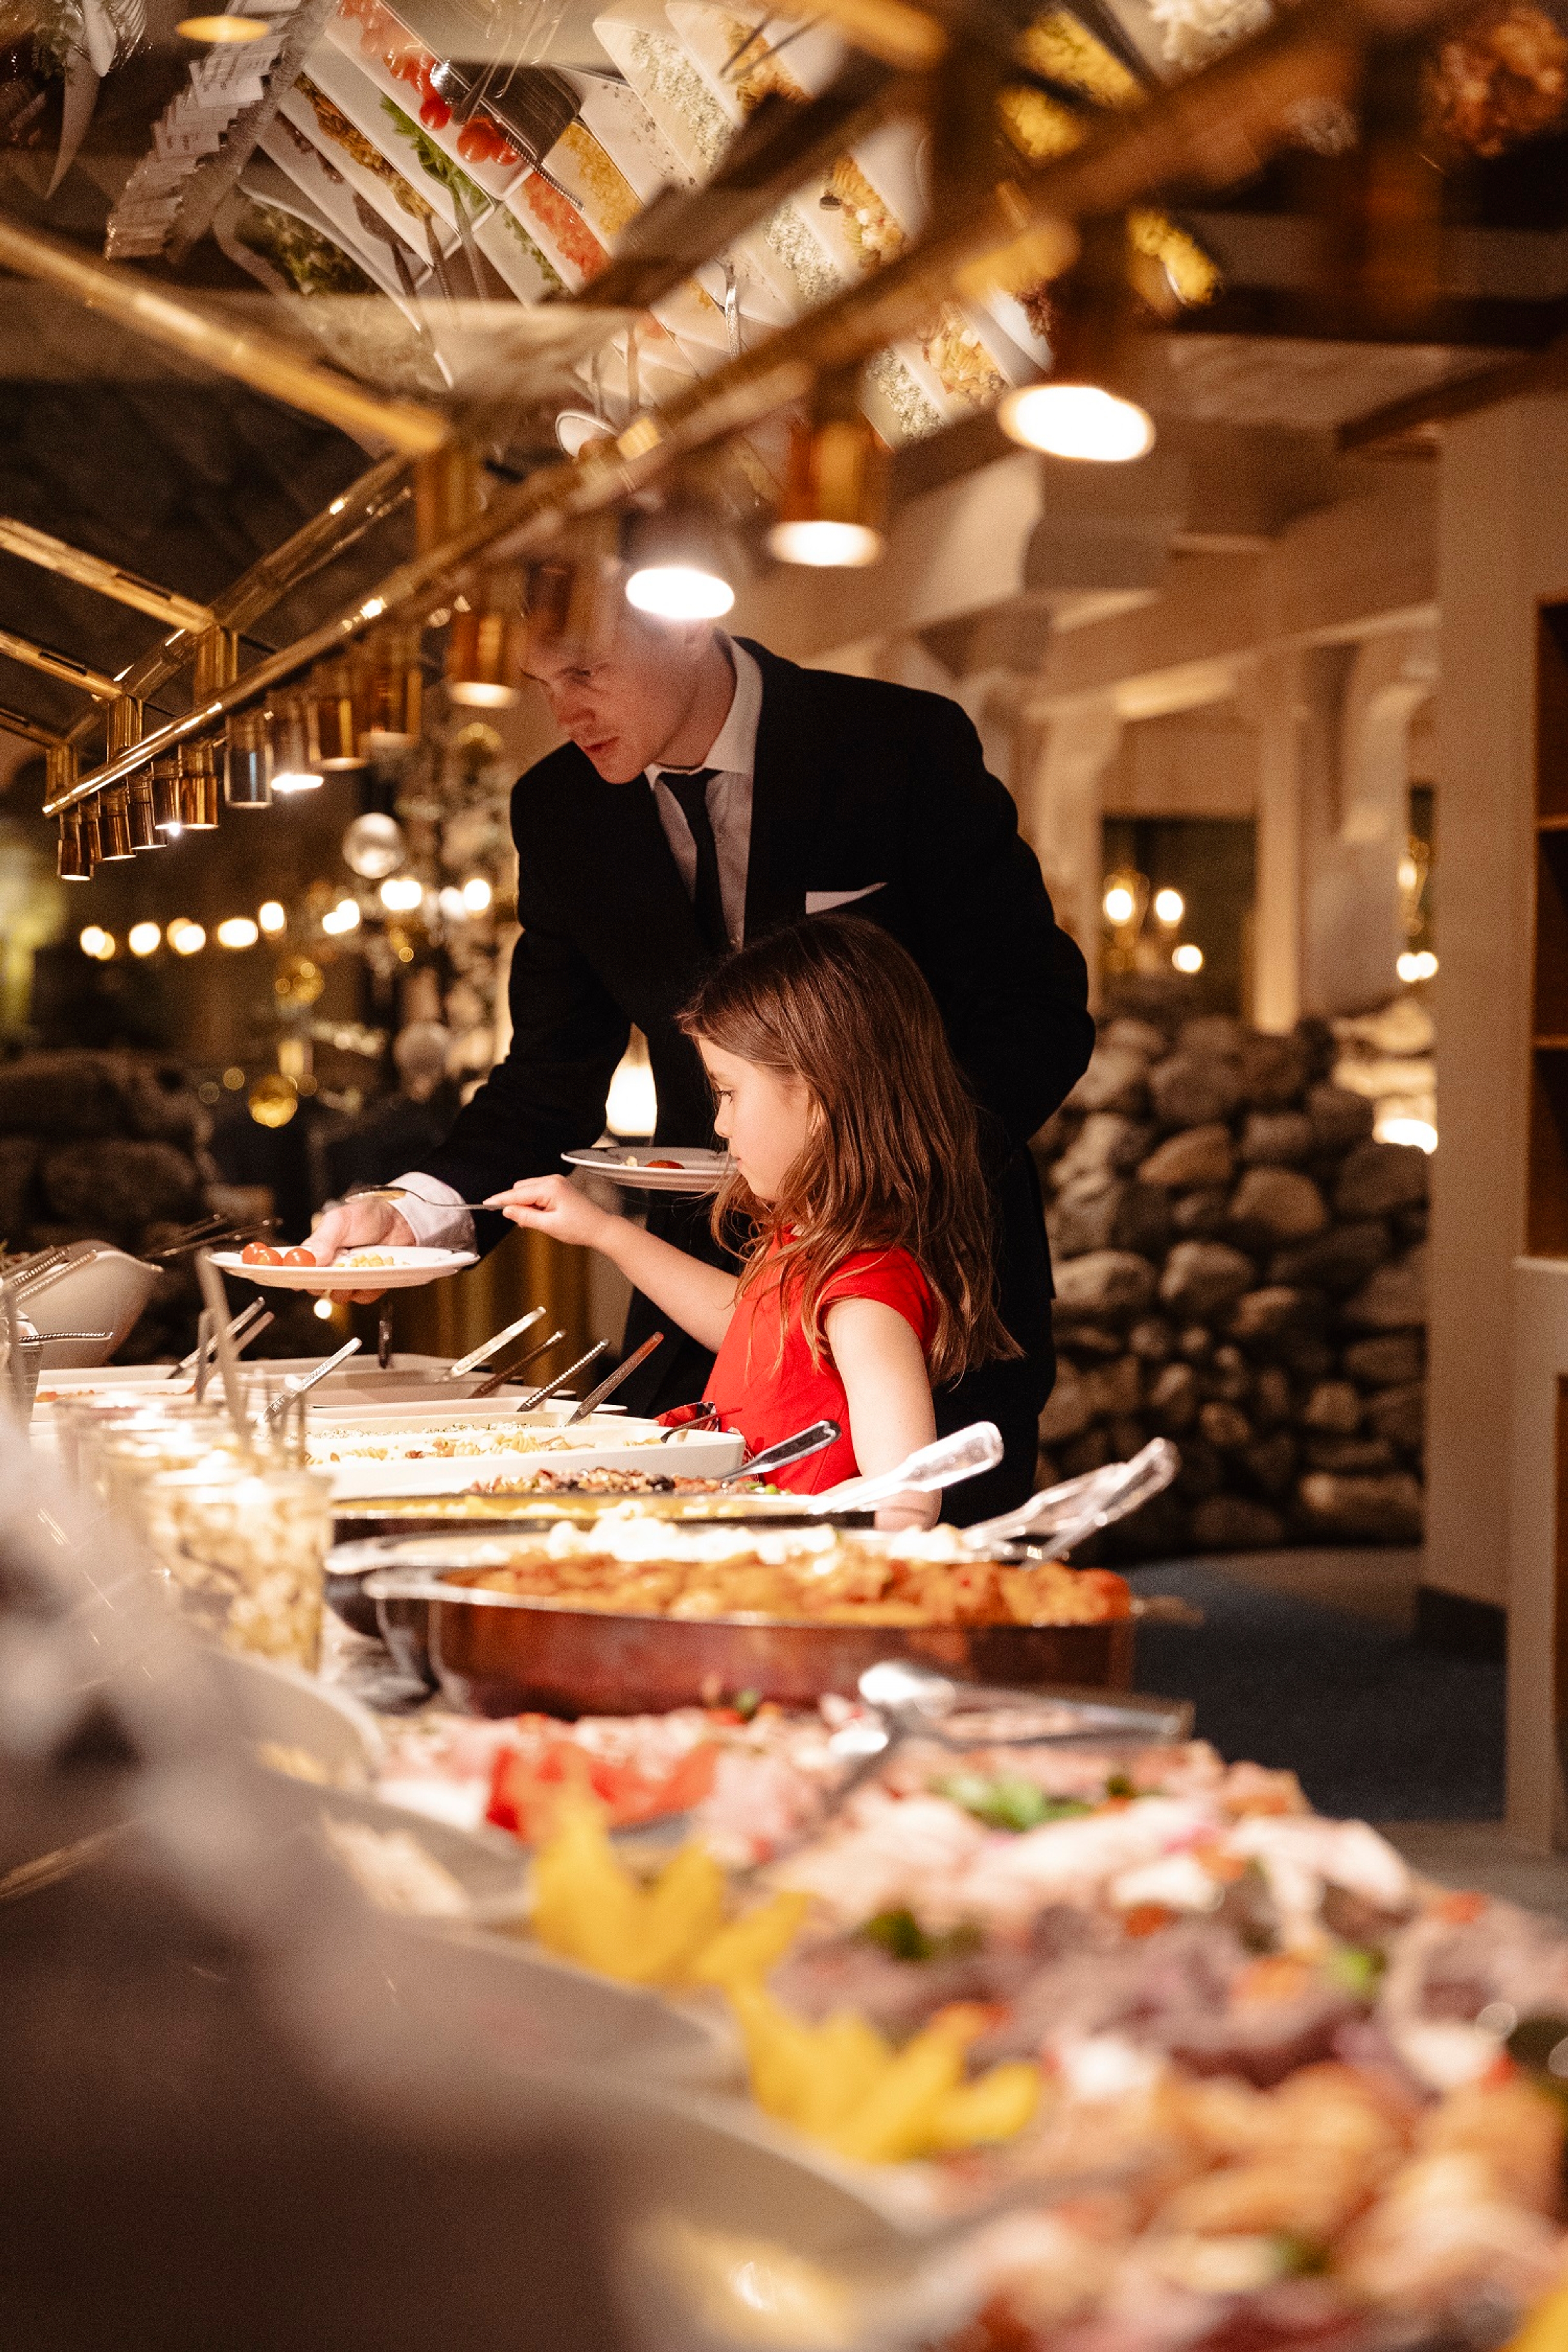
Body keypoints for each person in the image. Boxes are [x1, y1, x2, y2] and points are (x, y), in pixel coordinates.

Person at [309, 605, 1094, 1520]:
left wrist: (880, 1163)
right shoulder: (560, 808)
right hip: (713, 1294)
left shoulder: (898, 744)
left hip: (933, 1277)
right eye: (545, 686)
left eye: (586, 674)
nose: (565, 710)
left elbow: (1038, 1015)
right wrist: (420, 1210)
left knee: (925, 1600)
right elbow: (549, 1072)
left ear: (684, 624)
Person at [486, 917, 1017, 1529]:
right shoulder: (808, 1240)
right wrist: (605, 1232)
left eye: (730, 1093)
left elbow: (907, 1497)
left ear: (819, 1098)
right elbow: (748, 1327)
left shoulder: (865, 1290)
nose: (719, 1124)